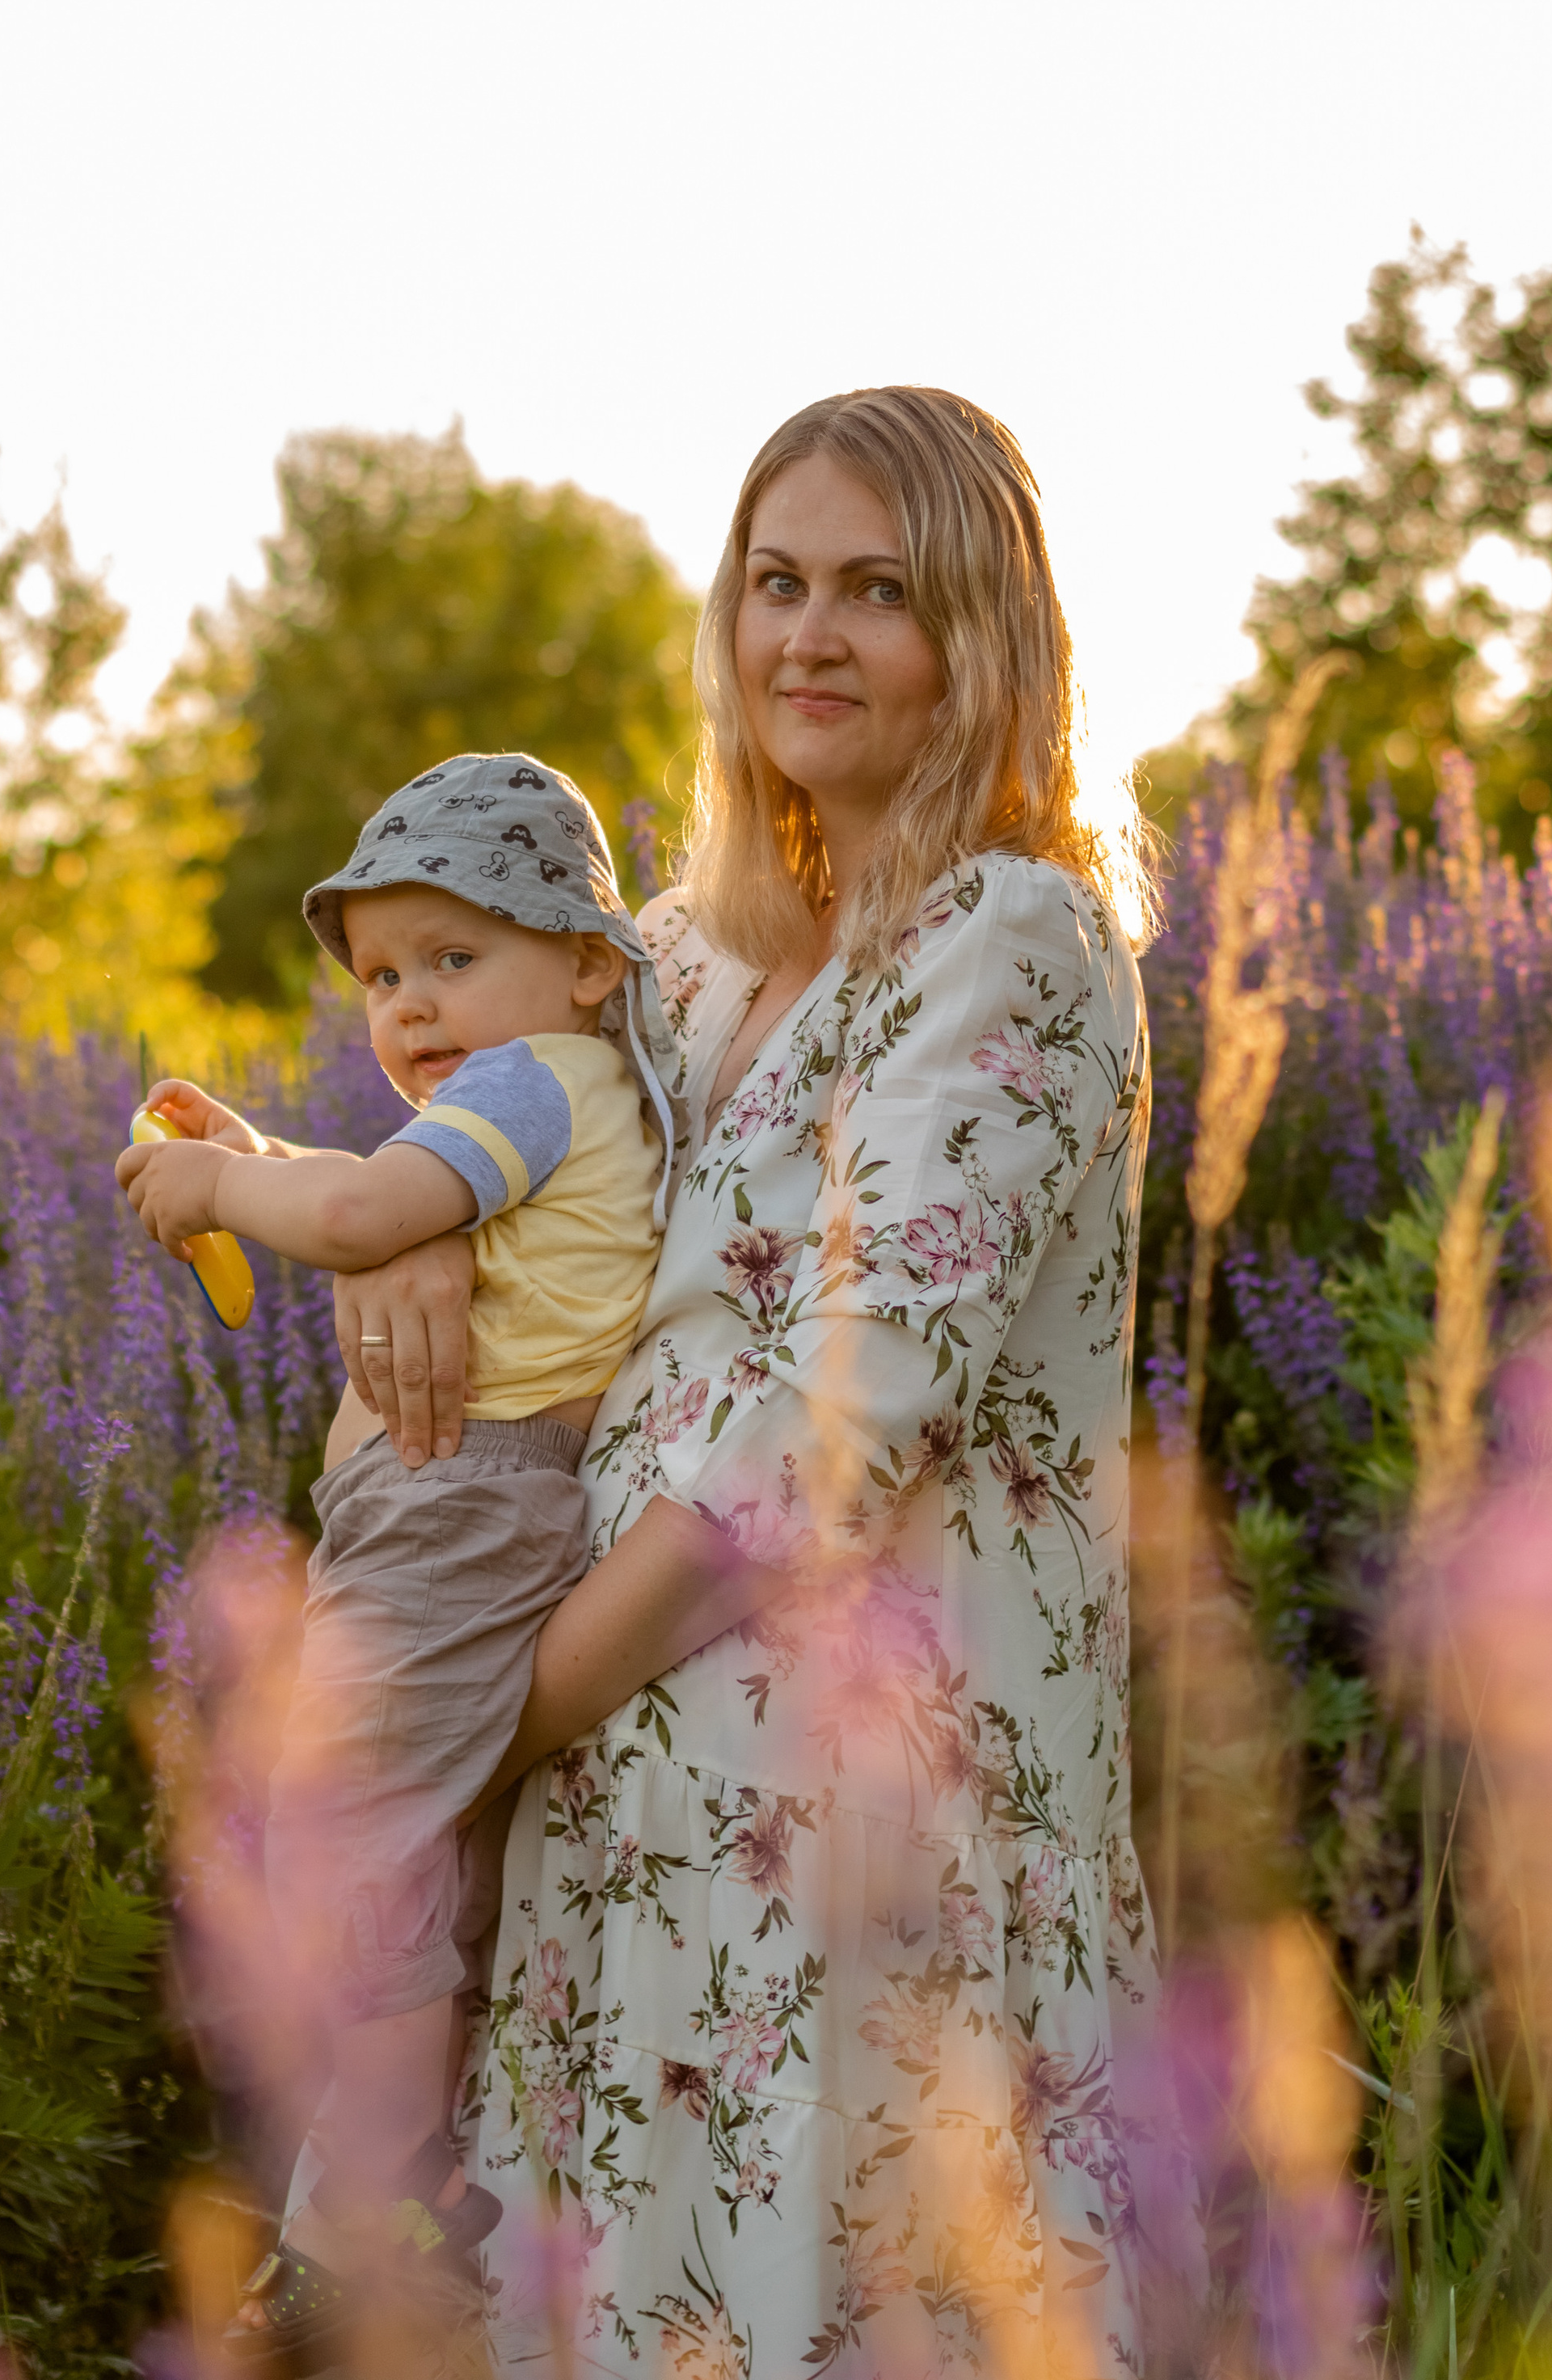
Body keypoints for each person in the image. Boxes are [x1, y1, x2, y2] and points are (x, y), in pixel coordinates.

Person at [335, 388, 1186, 2376]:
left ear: (979, 632)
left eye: (873, 591)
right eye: (773, 582)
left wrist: (476, 1722)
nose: (805, 634)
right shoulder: (684, 960)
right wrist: (439, 1227)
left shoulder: (1016, 934)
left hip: (856, 1853)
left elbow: (828, 1449)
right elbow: (483, 1110)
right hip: (619, 1873)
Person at [115, 753, 677, 2361]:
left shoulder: (524, 1083)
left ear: (583, 960)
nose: (411, 1008)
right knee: (406, 1844)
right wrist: (266, 1154)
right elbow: (385, 1198)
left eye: (453, 957)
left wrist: (226, 1182)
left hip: (458, 1515)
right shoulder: (548, 1090)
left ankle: (388, 2189)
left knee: (343, 1828)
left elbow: (370, 1223)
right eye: (379, 975)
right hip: (467, 1515)